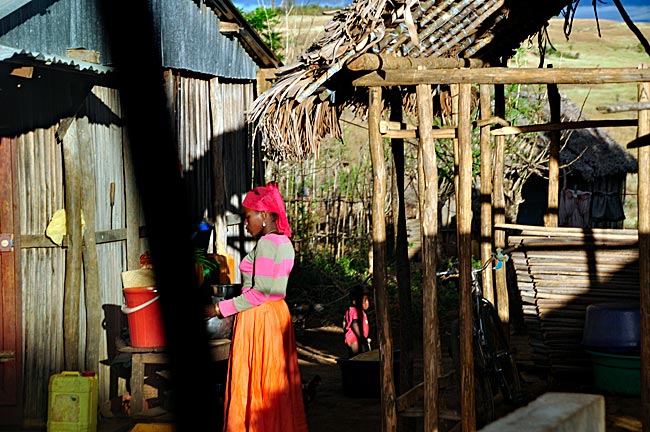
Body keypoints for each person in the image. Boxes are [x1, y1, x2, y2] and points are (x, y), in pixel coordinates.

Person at [205, 181, 308, 432]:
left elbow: (258, 294)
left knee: (254, 381)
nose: (245, 222)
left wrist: (218, 309)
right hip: (278, 316)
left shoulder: (266, 244)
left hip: (258, 321)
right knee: (273, 380)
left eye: (248, 216)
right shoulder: (285, 243)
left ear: (263, 215)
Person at [343, 284, 371, 358]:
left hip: (355, 339)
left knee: (357, 357)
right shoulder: (355, 311)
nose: (367, 303)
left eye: (368, 300)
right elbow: (354, 324)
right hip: (355, 339)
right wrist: (362, 338)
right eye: (365, 300)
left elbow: (344, 324)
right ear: (355, 301)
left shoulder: (353, 311)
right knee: (357, 357)